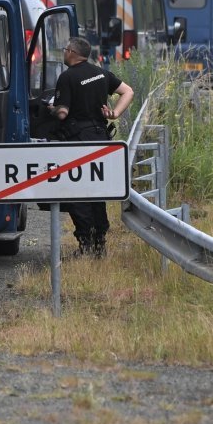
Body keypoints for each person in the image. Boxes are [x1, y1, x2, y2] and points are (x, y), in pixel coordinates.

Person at [49, 37, 134, 258]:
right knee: (98, 191)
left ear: (72, 53)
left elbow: (62, 113)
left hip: (77, 141)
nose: (64, 53)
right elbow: (128, 91)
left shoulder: (67, 78)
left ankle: (85, 243)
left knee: (78, 192)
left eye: (65, 49)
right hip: (100, 138)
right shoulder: (101, 73)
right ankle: (100, 243)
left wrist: (51, 107)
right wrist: (114, 114)